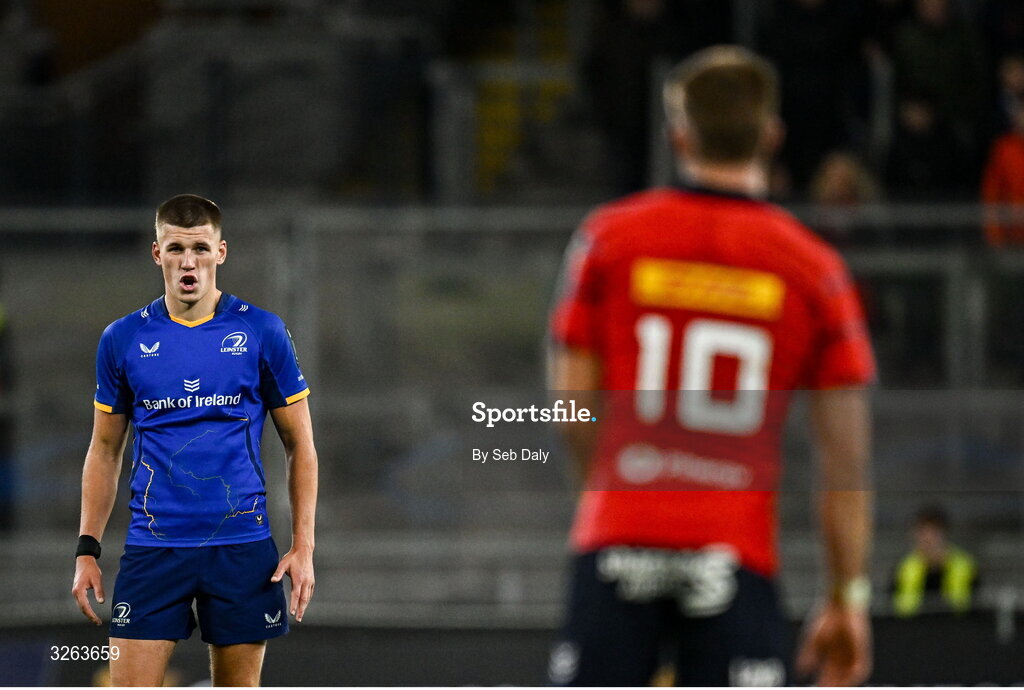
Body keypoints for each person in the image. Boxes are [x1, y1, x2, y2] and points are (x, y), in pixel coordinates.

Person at [547, 46, 876, 686]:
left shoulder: (607, 240)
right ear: (772, 136)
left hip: (618, 535)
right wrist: (847, 597)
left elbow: (572, 409)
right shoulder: (816, 270)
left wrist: (613, 498)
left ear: (678, 136)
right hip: (736, 552)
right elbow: (845, 460)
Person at [71, 194, 319, 686]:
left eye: (201, 248)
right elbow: (104, 449)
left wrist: (303, 545)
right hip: (154, 548)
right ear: (157, 253)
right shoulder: (121, 339)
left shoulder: (262, 331)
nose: (190, 261)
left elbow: (301, 444)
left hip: (241, 547)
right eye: (177, 247)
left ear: (221, 253)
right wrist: (87, 549)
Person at [892, 504, 977, 616]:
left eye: (932, 533)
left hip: (956, 626)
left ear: (943, 533)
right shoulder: (905, 567)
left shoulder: (964, 565)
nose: (928, 539)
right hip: (913, 627)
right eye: (923, 533)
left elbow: (975, 604)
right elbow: (895, 606)